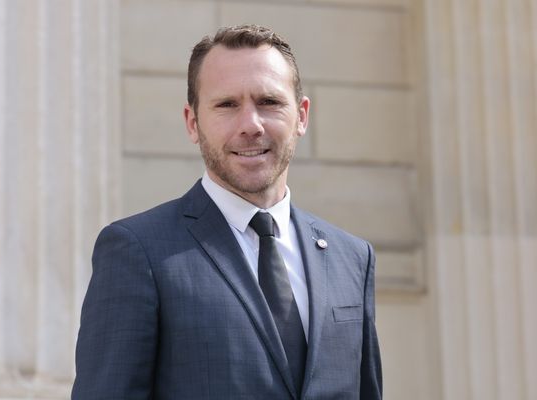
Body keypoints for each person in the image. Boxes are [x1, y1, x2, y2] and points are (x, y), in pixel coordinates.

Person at [72, 24, 382, 400]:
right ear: (192, 122)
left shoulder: (352, 258)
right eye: (227, 105)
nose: (250, 125)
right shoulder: (138, 252)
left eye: (269, 102)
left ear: (301, 115)